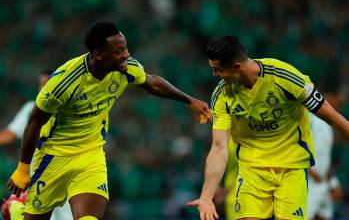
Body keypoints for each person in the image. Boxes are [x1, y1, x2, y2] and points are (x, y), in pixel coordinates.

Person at [7, 21, 211, 220]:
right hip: (54, 157)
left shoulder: (126, 68)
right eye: (118, 51)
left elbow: (152, 83)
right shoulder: (63, 83)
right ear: (98, 54)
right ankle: (15, 210)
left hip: (91, 155)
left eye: (125, 48)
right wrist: (23, 168)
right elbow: (34, 123)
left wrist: (189, 100)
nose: (126, 55)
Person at [187, 36, 349, 220]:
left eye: (218, 69)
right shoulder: (221, 96)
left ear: (237, 67)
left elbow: (333, 118)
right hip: (252, 170)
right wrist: (206, 197)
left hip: (291, 168)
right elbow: (219, 148)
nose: (214, 74)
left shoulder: (285, 78)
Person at [0, 71, 73, 220]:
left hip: (62, 174)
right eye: (41, 85)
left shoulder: (70, 109)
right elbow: (9, 135)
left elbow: (9, 136)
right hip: (41, 176)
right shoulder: (33, 108)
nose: (44, 88)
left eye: (47, 84)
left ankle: (16, 208)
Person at [307, 90, 343, 220]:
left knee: (324, 216)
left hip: (322, 183)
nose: (340, 105)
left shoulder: (328, 126)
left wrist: (333, 183)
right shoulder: (309, 119)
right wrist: (309, 170)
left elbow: (325, 160)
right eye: (337, 100)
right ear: (326, 96)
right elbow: (294, 146)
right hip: (308, 181)